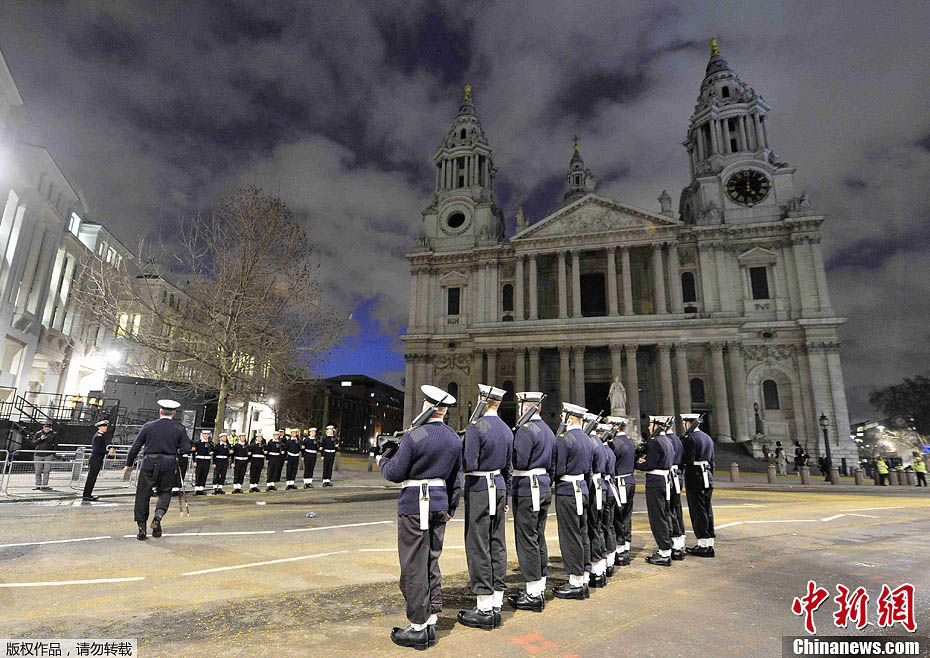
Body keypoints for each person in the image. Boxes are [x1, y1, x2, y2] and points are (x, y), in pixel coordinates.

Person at [378, 385, 462, 650]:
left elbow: (395, 473)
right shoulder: (452, 437)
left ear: (428, 405)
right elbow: (456, 478)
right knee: (431, 560)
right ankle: (432, 615)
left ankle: (418, 627)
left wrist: (383, 459)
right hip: (439, 502)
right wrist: (451, 508)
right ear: (444, 410)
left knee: (413, 564)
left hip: (415, 503)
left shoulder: (415, 435)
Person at [459, 384, 513, 631]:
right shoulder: (507, 430)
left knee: (478, 543)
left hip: (480, 486)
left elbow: (469, 464)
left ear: (482, 400)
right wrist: (507, 497)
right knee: (497, 543)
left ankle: (483, 607)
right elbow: (509, 469)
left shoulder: (475, 427)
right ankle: (497, 601)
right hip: (500, 486)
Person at [508, 391, 555, 613]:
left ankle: (532, 593)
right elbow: (553, 464)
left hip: (527, 487)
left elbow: (520, 461)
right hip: (544, 485)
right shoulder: (548, 430)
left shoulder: (526, 430)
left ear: (527, 407)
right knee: (538, 536)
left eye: (521, 405)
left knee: (526, 538)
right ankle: (539, 585)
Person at [123, 400, 191, 540]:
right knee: (165, 492)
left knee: (143, 495)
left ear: (160, 411)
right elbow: (186, 449)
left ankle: (141, 529)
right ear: (174, 413)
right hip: (168, 464)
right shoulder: (180, 428)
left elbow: (135, 447)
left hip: (149, 463)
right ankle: (157, 518)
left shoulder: (148, 426)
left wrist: (129, 464)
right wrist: (176, 452)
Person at [552, 403, 594, 600]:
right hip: (582, 489)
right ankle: (584, 575)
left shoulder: (565, 439)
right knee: (582, 533)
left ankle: (575, 582)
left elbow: (558, 469)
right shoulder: (587, 439)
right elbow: (589, 471)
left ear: (569, 419)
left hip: (568, 490)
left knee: (570, 536)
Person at [636, 416, 674, 566]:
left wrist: (638, 464)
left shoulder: (655, 442)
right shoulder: (667, 441)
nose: (648, 428)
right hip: (665, 481)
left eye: (650, 425)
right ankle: (667, 548)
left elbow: (650, 465)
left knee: (657, 517)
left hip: (655, 482)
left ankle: (664, 552)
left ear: (656, 426)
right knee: (665, 515)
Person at [682, 414, 716, 557]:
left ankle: (702, 544)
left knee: (697, 511)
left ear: (688, 423)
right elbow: (712, 461)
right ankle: (709, 543)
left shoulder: (690, 439)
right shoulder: (707, 438)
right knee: (707, 509)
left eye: (684, 423)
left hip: (695, 476)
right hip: (707, 475)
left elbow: (688, 460)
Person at [583, 413, 608, 588]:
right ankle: (599, 569)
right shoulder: (598, 442)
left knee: (592, 528)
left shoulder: (589, 442)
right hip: (599, 485)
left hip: (592, 486)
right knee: (597, 527)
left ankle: (596, 570)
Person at [608, 417, 635, 567]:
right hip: (629, 481)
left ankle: (620, 550)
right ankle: (626, 547)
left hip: (620, 482)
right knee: (626, 516)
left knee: (617, 517)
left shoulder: (615, 444)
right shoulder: (628, 441)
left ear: (616, 427)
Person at [598, 423, 618, 578]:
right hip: (611, 489)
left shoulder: (602, 451)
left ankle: (604, 562)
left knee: (602, 527)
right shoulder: (609, 451)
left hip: (604, 488)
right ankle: (610, 560)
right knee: (609, 527)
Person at [666, 420, 687, 561]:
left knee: (669, 510)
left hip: (669, 477)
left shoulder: (666, 440)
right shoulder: (678, 440)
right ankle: (679, 542)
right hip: (678, 475)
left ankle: (675, 543)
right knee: (677, 509)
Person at [82, 419, 111, 502]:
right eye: (103, 426)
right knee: (91, 478)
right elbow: (97, 450)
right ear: (99, 427)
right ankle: (87, 495)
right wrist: (107, 452)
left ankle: (87, 494)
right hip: (96, 459)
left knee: (92, 478)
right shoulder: (99, 437)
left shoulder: (100, 435)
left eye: (105, 426)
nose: (105, 428)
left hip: (96, 459)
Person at [28, 422, 58, 490]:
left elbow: (56, 444)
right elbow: (33, 443)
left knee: (47, 470)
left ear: (50, 428)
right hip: (38, 454)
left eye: (48, 427)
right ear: (43, 427)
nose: (47, 429)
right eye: (45, 427)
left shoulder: (54, 434)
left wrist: (53, 453)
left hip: (48, 454)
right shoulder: (38, 433)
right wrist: (40, 439)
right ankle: (38, 485)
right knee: (38, 470)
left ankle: (45, 485)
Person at [191, 429, 214, 495]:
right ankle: (197, 489)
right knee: (198, 474)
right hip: (199, 460)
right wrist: (194, 461)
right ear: (202, 435)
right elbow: (193, 452)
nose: (206, 436)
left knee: (204, 474)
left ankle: (201, 489)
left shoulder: (210, 443)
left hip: (207, 460)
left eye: (207, 435)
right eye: (205, 435)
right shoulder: (198, 443)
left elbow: (213, 450)